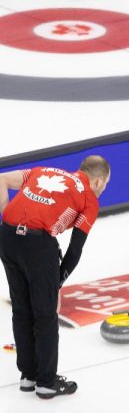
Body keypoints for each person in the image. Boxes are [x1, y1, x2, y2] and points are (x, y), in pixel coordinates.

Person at [0, 155, 110, 399]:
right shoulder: (89, 198)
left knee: (21, 309)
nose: (103, 190)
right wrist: (58, 280)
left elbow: (1, 179)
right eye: (105, 185)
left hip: (6, 238)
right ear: (99, 181)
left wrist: (11, 223)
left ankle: (28, 376)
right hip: (38, 246)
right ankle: (47, 382)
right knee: (45, 314)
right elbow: (75, 248)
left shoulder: (44, 171)